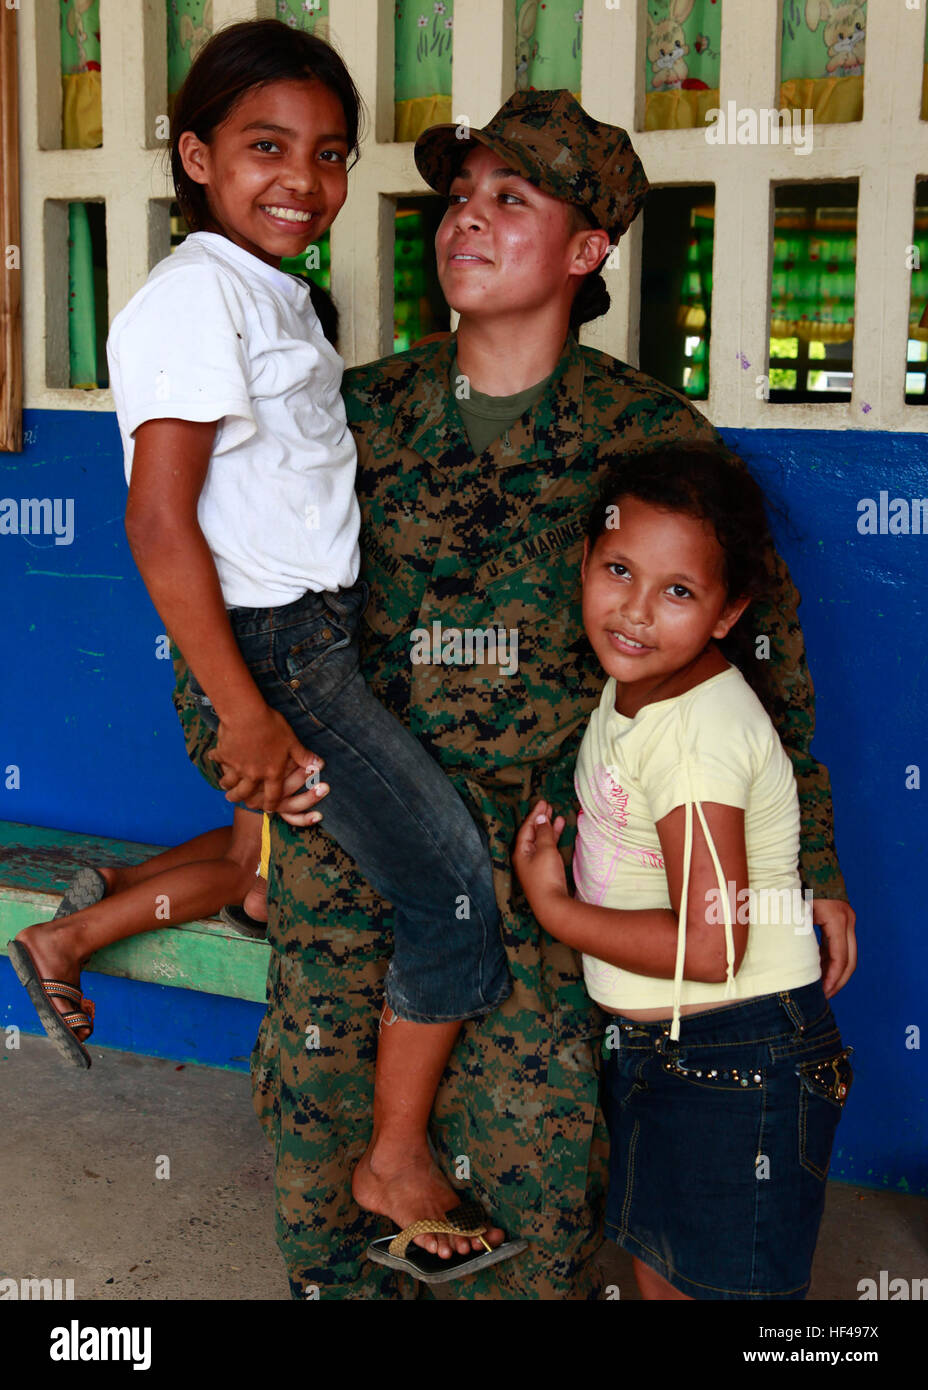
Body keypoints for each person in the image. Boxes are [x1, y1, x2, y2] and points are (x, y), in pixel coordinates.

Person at [173, 87, 857, 1299]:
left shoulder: (645, 435)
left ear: (587, 250)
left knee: (531, 1205)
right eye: (458, 197)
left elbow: (757, 670)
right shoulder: (351, 415)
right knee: (326, 1195)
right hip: (354, 865)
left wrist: (807, 873)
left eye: (509, 199)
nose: (465, 221)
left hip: (545, 880)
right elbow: (235, 590)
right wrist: (239, 746)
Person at [12, 19, 523, 1280]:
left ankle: (72, 939)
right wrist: (246, 710)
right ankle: (392, 1157)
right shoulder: (195, 299)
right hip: (280, 657)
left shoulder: (269, 293)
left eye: (330, 152)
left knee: (278, 869)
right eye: (264, 147)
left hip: (309, 644)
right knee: (453, 888)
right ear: (195, 156)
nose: (303, 178)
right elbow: (156, 517)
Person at [513, 444, 853, 1300]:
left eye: (678, 592)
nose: (633, 611)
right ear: (585, 562)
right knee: (665, 1274)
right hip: (678, 1049)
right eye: (618, 569)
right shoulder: (641, 688)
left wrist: (556, 908)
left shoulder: (696, 736)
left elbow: (711, 949)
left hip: (735, 1054)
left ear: (728, 611)